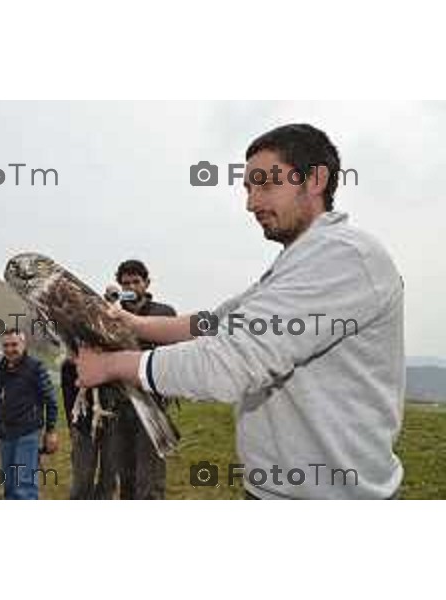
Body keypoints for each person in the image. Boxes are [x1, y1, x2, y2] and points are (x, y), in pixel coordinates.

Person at [75, 124, 405, 500]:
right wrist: (132, 322)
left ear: (315, 180)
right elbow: (212, 324)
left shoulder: (345, 257)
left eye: (265, 184)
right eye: (248, 188)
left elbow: (231, 362)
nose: (251, 203)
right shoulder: (294, 264)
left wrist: (115, 365)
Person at [110, 259, 177, 500]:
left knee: (149, 480)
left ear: (146, 283)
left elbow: (176, 352)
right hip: (119, 404)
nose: (130, 287)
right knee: (125, 477)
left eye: (136, 281)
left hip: (152, 403)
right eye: (125, 282)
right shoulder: (111, 315)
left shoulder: (165, 313)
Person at [0, 328, 59, 499]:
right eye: (6, 345)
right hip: (5, 434)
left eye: (14, 344)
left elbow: (51, 400)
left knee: (24, 486)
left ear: (24, 345)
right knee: (9, 486)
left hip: (28, 433)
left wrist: (51, 431)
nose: (10, 349)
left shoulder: (35, 367)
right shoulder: (0, 369)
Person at [60, 357, 117, 499]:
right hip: (84, 426)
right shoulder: (70, 364)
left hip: (114, 423)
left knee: (109, 479)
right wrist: (73, 426)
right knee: (83, 481)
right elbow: (69, 399)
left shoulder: (115, 357)